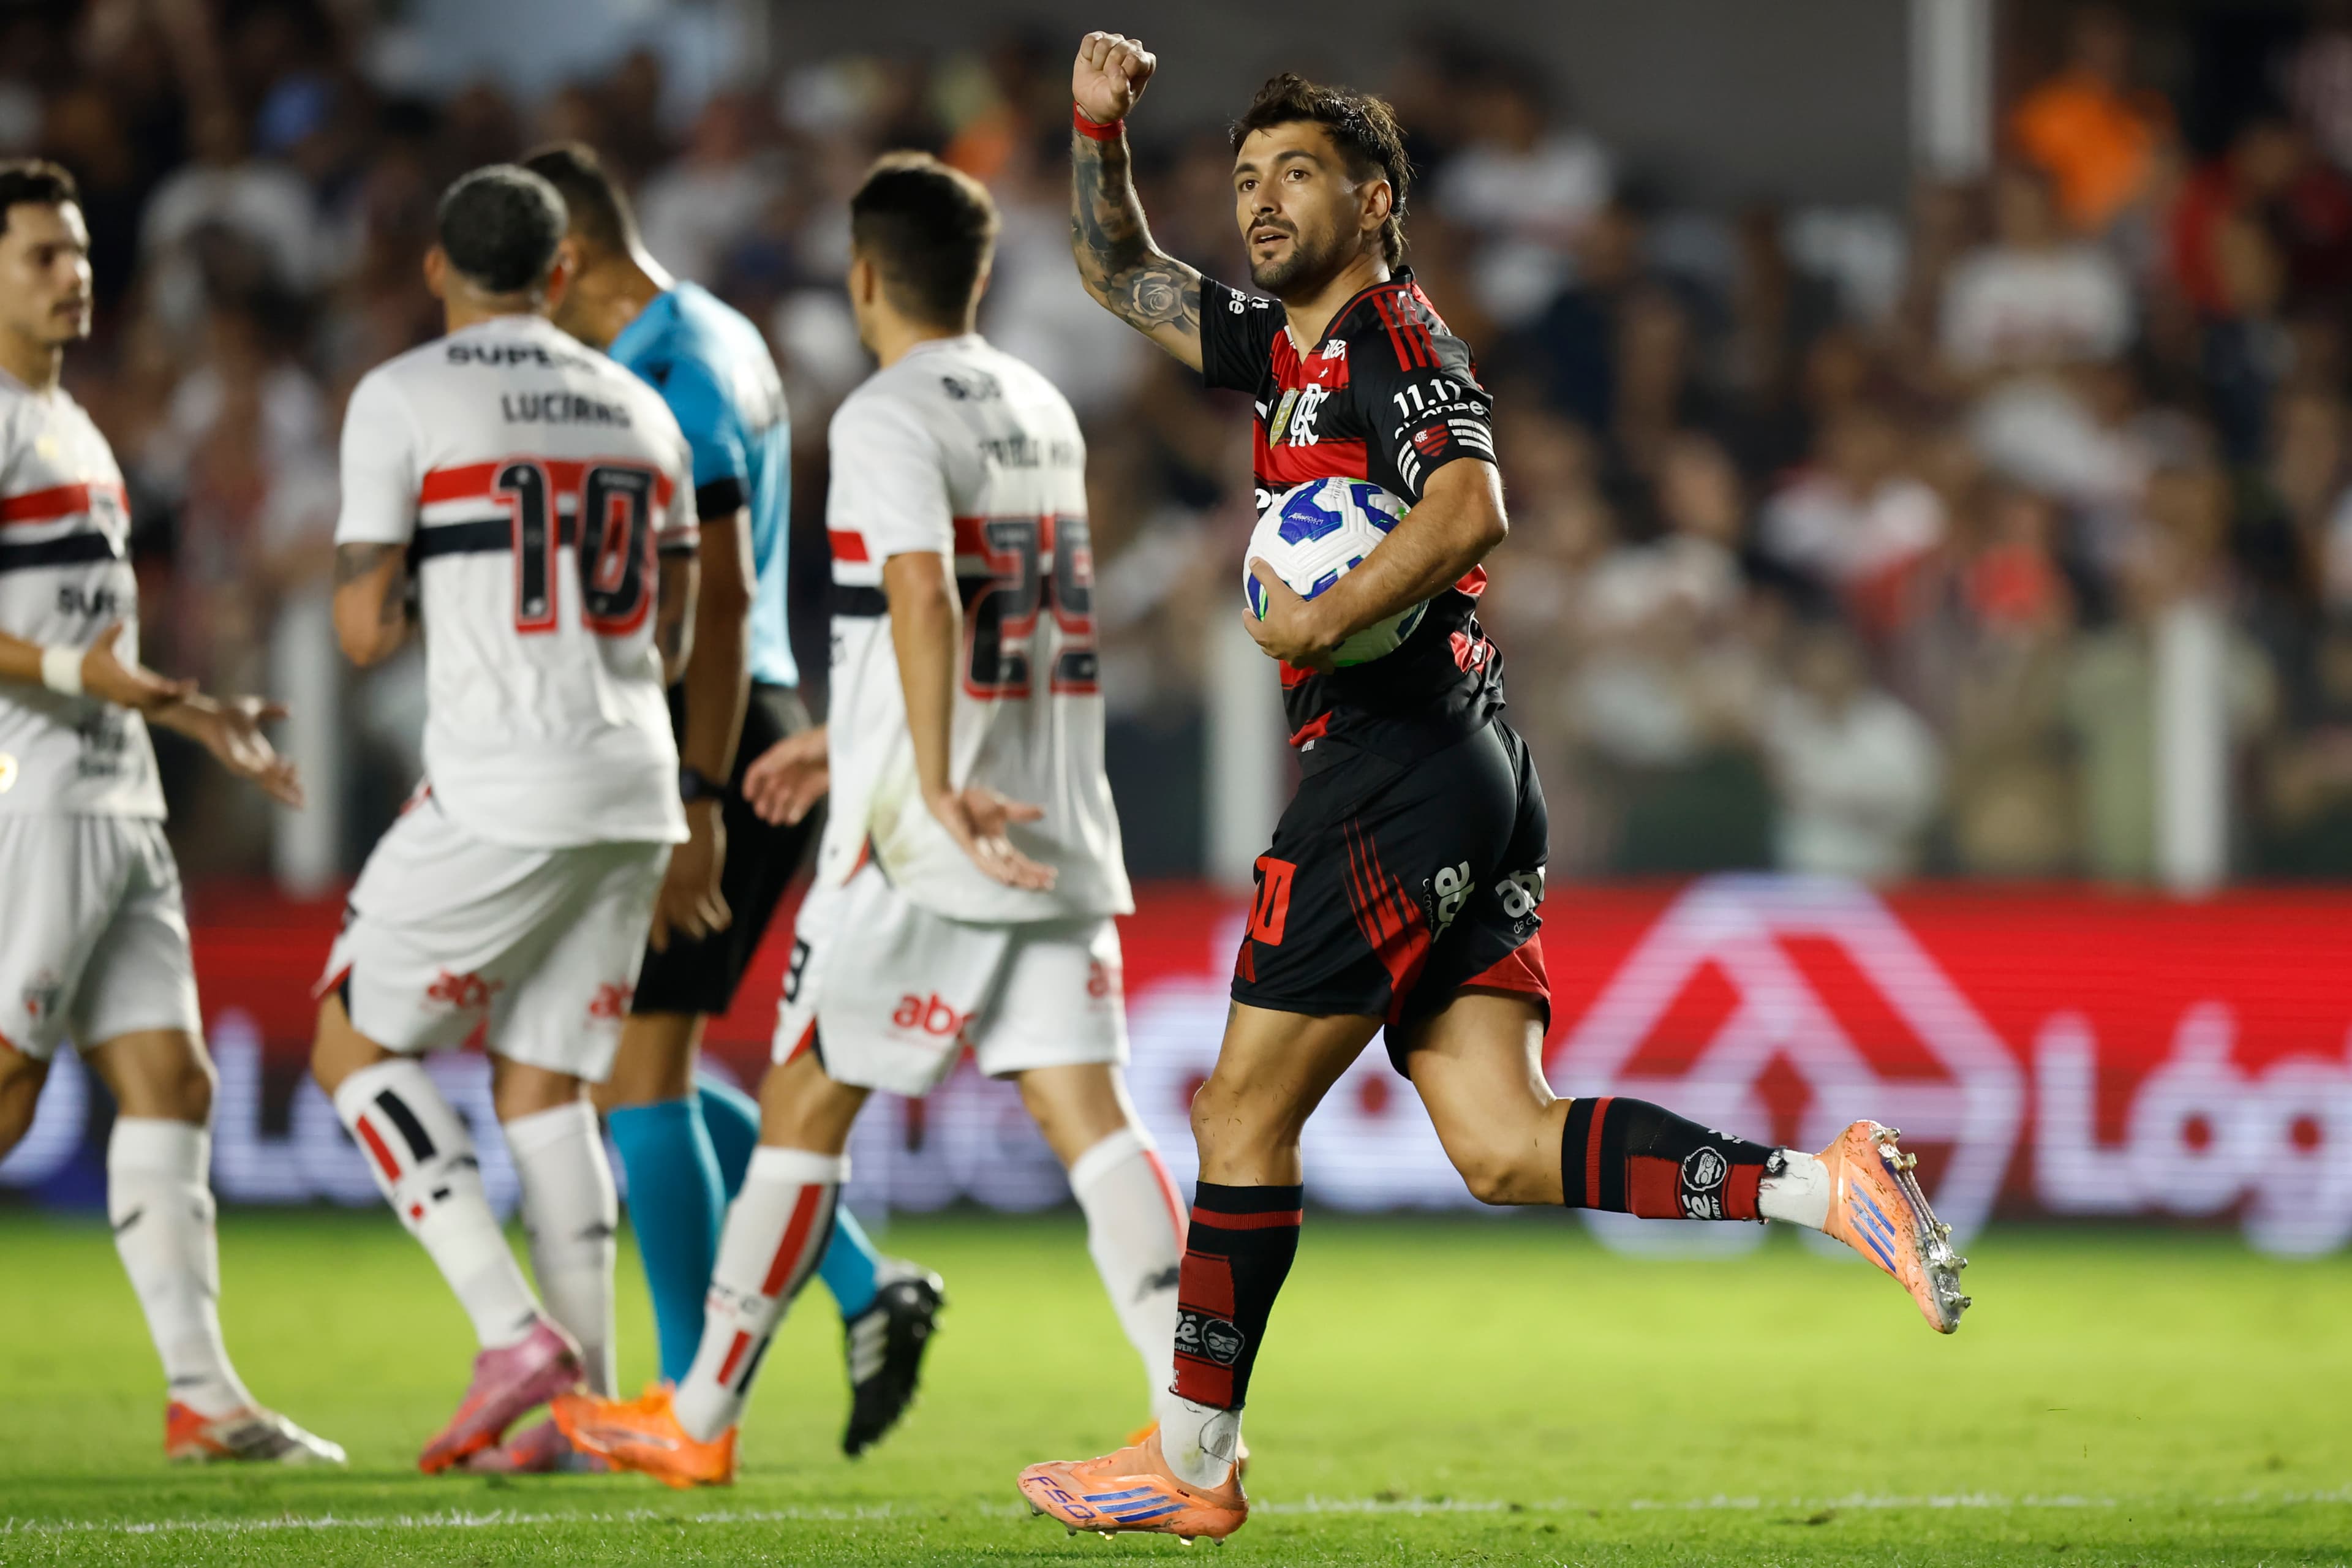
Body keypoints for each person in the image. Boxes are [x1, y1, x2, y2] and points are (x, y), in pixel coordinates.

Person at [1014, 37, 1973, 1545]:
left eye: (1298, 176)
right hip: (1464, 767)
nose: (1261, 204)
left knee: (1237, 1112)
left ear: (1376, 196)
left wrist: (1322, 619)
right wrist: (1093, 126)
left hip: (1393, 770)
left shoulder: (1395, 337)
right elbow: (1116, 265)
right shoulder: (1286, 347)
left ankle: (1191, 1458)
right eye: (1250, 178)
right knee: (1503, 1143)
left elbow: (1475, 504)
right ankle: (1825, 1183)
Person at [548, 151, 1186, 1490]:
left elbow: (927, 600)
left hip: (929, 832)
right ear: (981, 274)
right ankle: (1195, 1434)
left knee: (802, 1100)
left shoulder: (887, 415)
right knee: (1095, 1120)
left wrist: (927, 776)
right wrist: (859, 734)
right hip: (1056, 809)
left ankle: (700, 1416)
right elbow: (1002, 615)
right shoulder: (1039, 403)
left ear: (860, 277)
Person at [512, 140, 943, 1469]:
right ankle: (866, 1283)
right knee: (638, 1060)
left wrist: (695, 790)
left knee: (634, 1062)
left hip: (712, 724)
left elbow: (720, 592)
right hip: (713, 719)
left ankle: (690, 1392)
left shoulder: (676, 369)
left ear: (562, 262)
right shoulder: (715, 333)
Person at [308, 164, 699, 1474]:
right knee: (546, 1084)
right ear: (559, 274)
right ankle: (574, 1418)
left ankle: (509, 1330)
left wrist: (424, 582)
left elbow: (362, 631)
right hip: (633, 778)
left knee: (349, 1045)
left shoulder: (404, 394)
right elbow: (680, 625)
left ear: (437, 271)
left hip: (502, 779)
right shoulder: (643, 407)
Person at [0, 158, 341, 1466]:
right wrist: (76, 679)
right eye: (41, 254)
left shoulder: (76, 425)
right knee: (14, 1084)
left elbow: (94, 633)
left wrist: (187, 711)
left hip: (116, 785)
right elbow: (55, 649)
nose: (74, 274)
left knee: (173, 1078)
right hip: (39, 793)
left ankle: (204, 1395)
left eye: (80, 252)